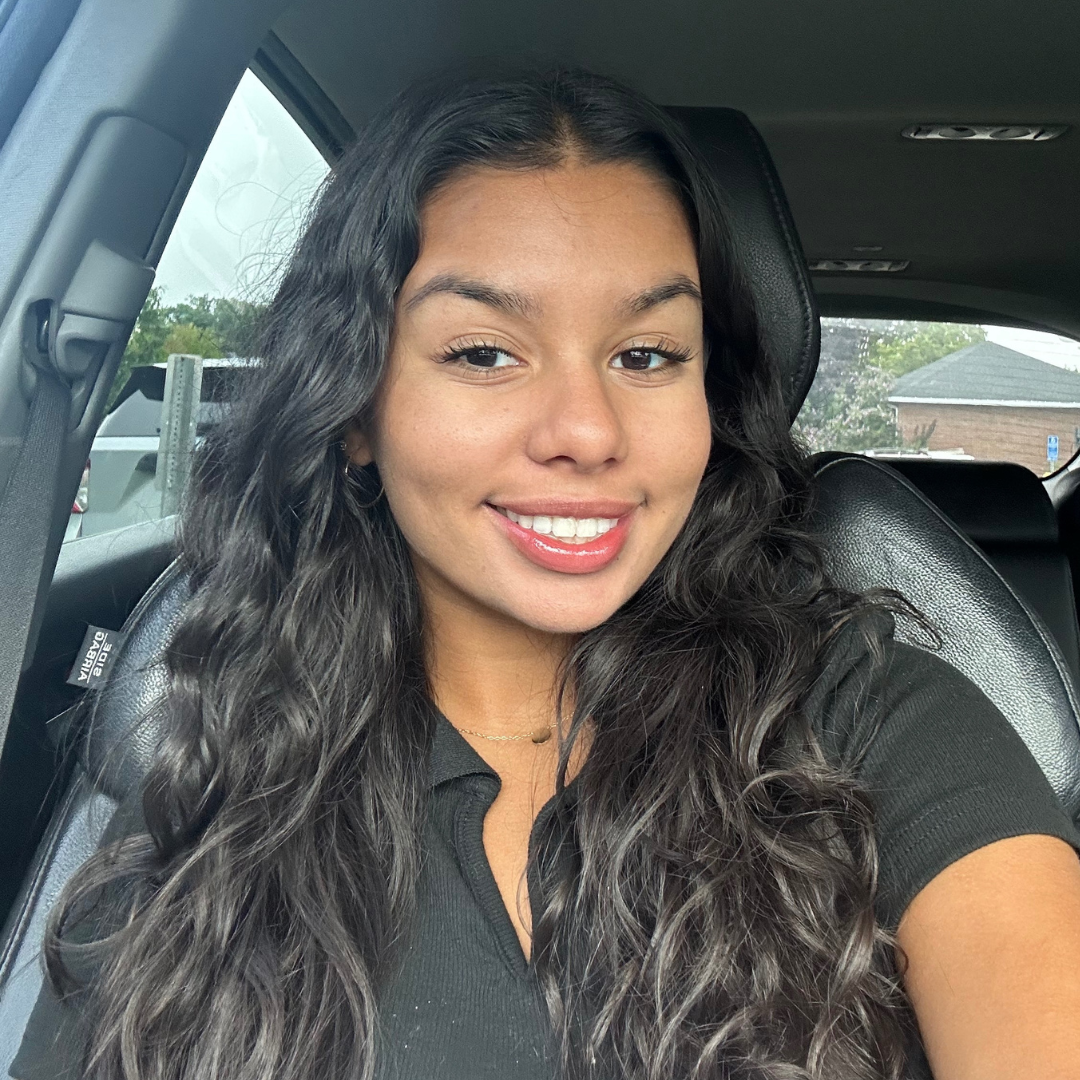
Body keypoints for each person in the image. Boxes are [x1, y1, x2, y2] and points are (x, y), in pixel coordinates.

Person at [12, 69, 1080, 1080]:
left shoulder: (860, 716)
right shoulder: (223, 770)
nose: (586, 431)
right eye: (484, 353)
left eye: (647, 355)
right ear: (354, 414)